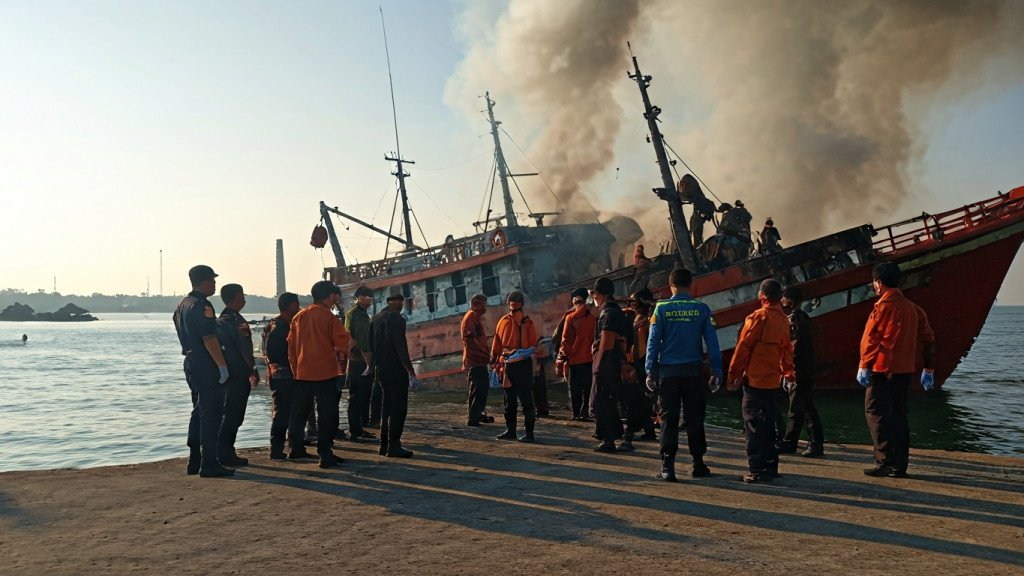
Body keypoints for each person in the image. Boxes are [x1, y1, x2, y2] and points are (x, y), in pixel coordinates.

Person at [858, 262, 936, 478]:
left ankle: (884, 460)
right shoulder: (913, 308)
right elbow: (929, 339)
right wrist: (929, 368)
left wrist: (864, 365)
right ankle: (900, 465)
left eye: (874, 281)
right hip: (905, 370)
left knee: (875, 413)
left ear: (879, 282)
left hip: (881, 369)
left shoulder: (882, 307)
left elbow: (871, 340)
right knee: (899, 416)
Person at [645, 269, 722, 481]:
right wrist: (716, 371)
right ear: (691, 285)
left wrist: (649, 371)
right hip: (693, 372)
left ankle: (667, 467)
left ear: (671, 286)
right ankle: (698, 464)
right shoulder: (702, 309)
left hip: (668, 373)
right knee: (695, 418)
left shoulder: (661, 309)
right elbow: (713, 344)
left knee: (668, 419)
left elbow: (652, 343)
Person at [727, 279, 794, 484]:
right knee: (770, 424)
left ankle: (756, 469)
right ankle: (771, 467)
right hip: (773, 380)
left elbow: (743, 348)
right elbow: (787, 350)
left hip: (755, 379)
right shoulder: (783, 320)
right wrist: (788, 373)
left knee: (754, 425)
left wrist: (733, 375)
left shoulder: (757, 317)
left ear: (762, 296)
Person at [172, 265, 234, 478]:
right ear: (203, 281)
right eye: (212, 280)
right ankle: (209, 462)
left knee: (198, 410)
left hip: (190, 360)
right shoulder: (203, 305)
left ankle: (195, 459)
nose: (215, 284)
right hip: (205, 361)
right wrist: (222, 366)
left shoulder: (182, 304)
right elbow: (209, 338)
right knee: (211, 412)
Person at [287, 280, 349, 469]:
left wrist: (296, 369)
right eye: (335, 295)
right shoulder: (329, 318)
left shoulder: (299, 317)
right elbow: (344, 344)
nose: (337, 298)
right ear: (330, 296)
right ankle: (325, 453)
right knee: (327, 415)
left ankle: (295, 449)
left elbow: (291, 347)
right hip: (325, 373)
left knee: (298, 414)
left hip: (303, 373)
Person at [368, 293, 418, 458]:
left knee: (386, 407)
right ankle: (394, 445)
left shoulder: (375, 318)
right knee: (398, 408)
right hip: (395, 368)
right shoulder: (397, 319)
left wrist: (371, 366)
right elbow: (400, 346)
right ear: (396, 304)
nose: (401, 306)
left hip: (381, 369)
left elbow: (370, 346)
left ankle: (384, 445)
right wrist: (410, 370)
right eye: (400, 304)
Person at [777, 286, 824, 458]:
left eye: (783, 298)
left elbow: (794, 348)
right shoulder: (803, 317)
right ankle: (805, 442)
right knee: (803, 406)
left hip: (799, 369)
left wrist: (788, 371)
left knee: (799, 408)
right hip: (806, 368)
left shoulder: (794, 319)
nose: (781, 302)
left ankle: (800, 443)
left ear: (789, 300)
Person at [215, 283, 259, 467]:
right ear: (235, 297)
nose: (244, 299)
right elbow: (244, 349)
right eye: (242, 296)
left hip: (227, 373)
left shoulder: (220, 320)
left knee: (228, 413)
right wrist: (253, 369)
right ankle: (226, 451)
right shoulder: (235, 321)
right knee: (234, 414)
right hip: (238, 373)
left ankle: (221, 449)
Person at [590, 277, 633, 453]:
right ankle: (617, 436)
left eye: (593, 294)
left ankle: (609, 439)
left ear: (598, 294)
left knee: (601, 402)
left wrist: (597, 366)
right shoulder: (617, 312)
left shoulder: (608, 314)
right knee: (612, 402)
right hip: (615, 362)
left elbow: (607, 343)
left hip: (607, 363)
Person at [489, 291, 540, 443]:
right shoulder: (527, 322)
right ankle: (526, 433)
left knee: (512, 400)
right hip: (518, 364)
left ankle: (514, 431)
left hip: (511, 364)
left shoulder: (507, 321)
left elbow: (497, 344)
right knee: (523, 400)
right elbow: (533, 346)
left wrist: (494, 361)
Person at [262, 292, 300, 461]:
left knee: (289, 412)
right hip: (283, 375)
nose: (298, 308)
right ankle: (277, 449)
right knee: (282, 414)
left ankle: (292, 447)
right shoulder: (280, 328)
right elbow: (275, 354)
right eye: (296, 305)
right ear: (291, 306)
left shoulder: (276, 325)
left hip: (282, 374)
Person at [555, 287, 596, 422]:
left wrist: (566, 356)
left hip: (575, 359)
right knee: (588, 387)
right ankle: (585, 412)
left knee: (575, 388)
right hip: (590, 358)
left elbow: (565, 340)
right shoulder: (594, 316)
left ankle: (576, 413)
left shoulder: (570, 317)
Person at [624, 288, 658, 442]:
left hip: (640, 363)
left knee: (637, 399)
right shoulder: (647, 321)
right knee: (642, 399)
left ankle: (631, 432)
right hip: (644, 363)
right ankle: (648, 430)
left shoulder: (643, 323)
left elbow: (641, 350)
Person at [345, 286, 377, 440]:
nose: (369, 299)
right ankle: (356, 431)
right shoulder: (359, 315)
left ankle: (358, 428)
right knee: (358, 396)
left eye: (370, 297)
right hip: (359, 360)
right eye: (366, 296)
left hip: (355, 359)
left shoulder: (356, 313)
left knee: (359, 396)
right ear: (358, 298)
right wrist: (369, 364)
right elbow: (363, 341)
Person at [461, 294, 494, 427]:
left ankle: (476, 414)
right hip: (476, 359)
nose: (485, 307)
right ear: (479, 304)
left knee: (478, 388)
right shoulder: (471, 316)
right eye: (484, 304)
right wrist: (485, 353)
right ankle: (473, 417)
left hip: (477, 358)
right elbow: (472, 337)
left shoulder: (472, 316)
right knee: (479, 389)